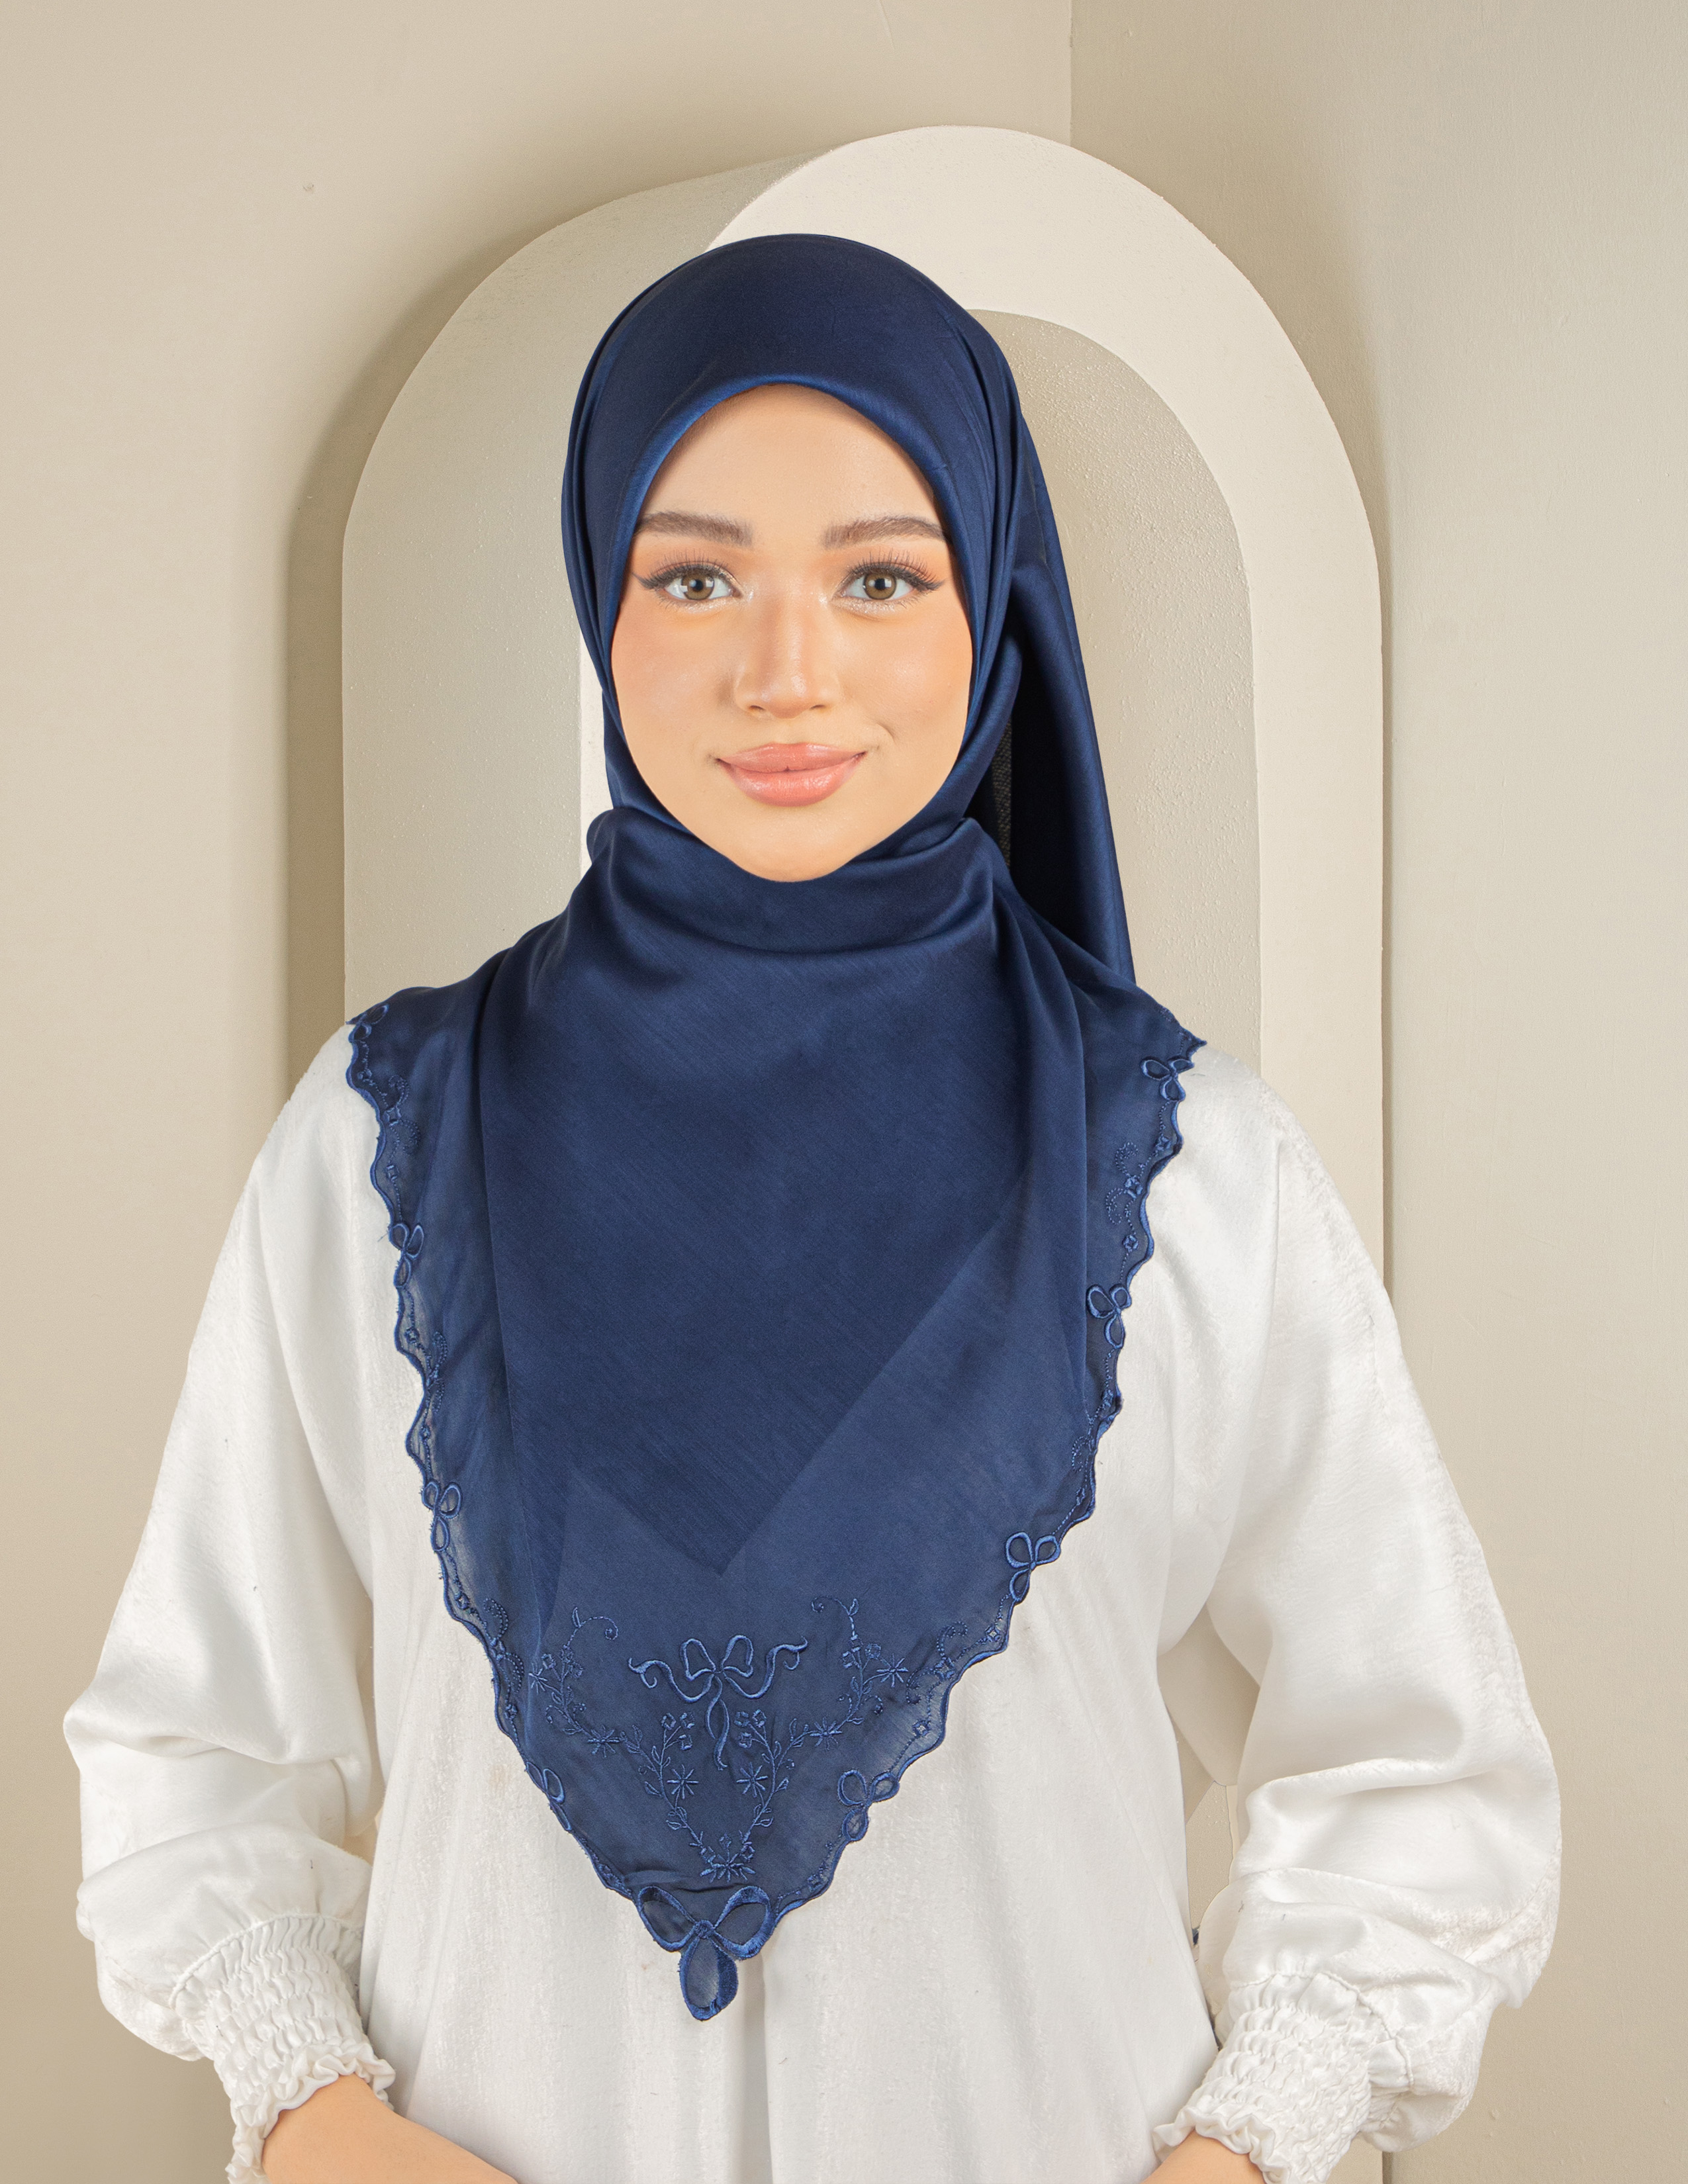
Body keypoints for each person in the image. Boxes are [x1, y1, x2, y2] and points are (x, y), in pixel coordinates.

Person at [66, 236, 1558, 2184]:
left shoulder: (1192, 1169)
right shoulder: (376, 1145)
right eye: (697, 577)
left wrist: (1247, 2147)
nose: (788, 673)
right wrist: (324, 2121)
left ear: (989, 610)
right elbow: (192, 1743)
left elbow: (1414, 1761)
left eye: (879, 579)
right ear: (601, 602)